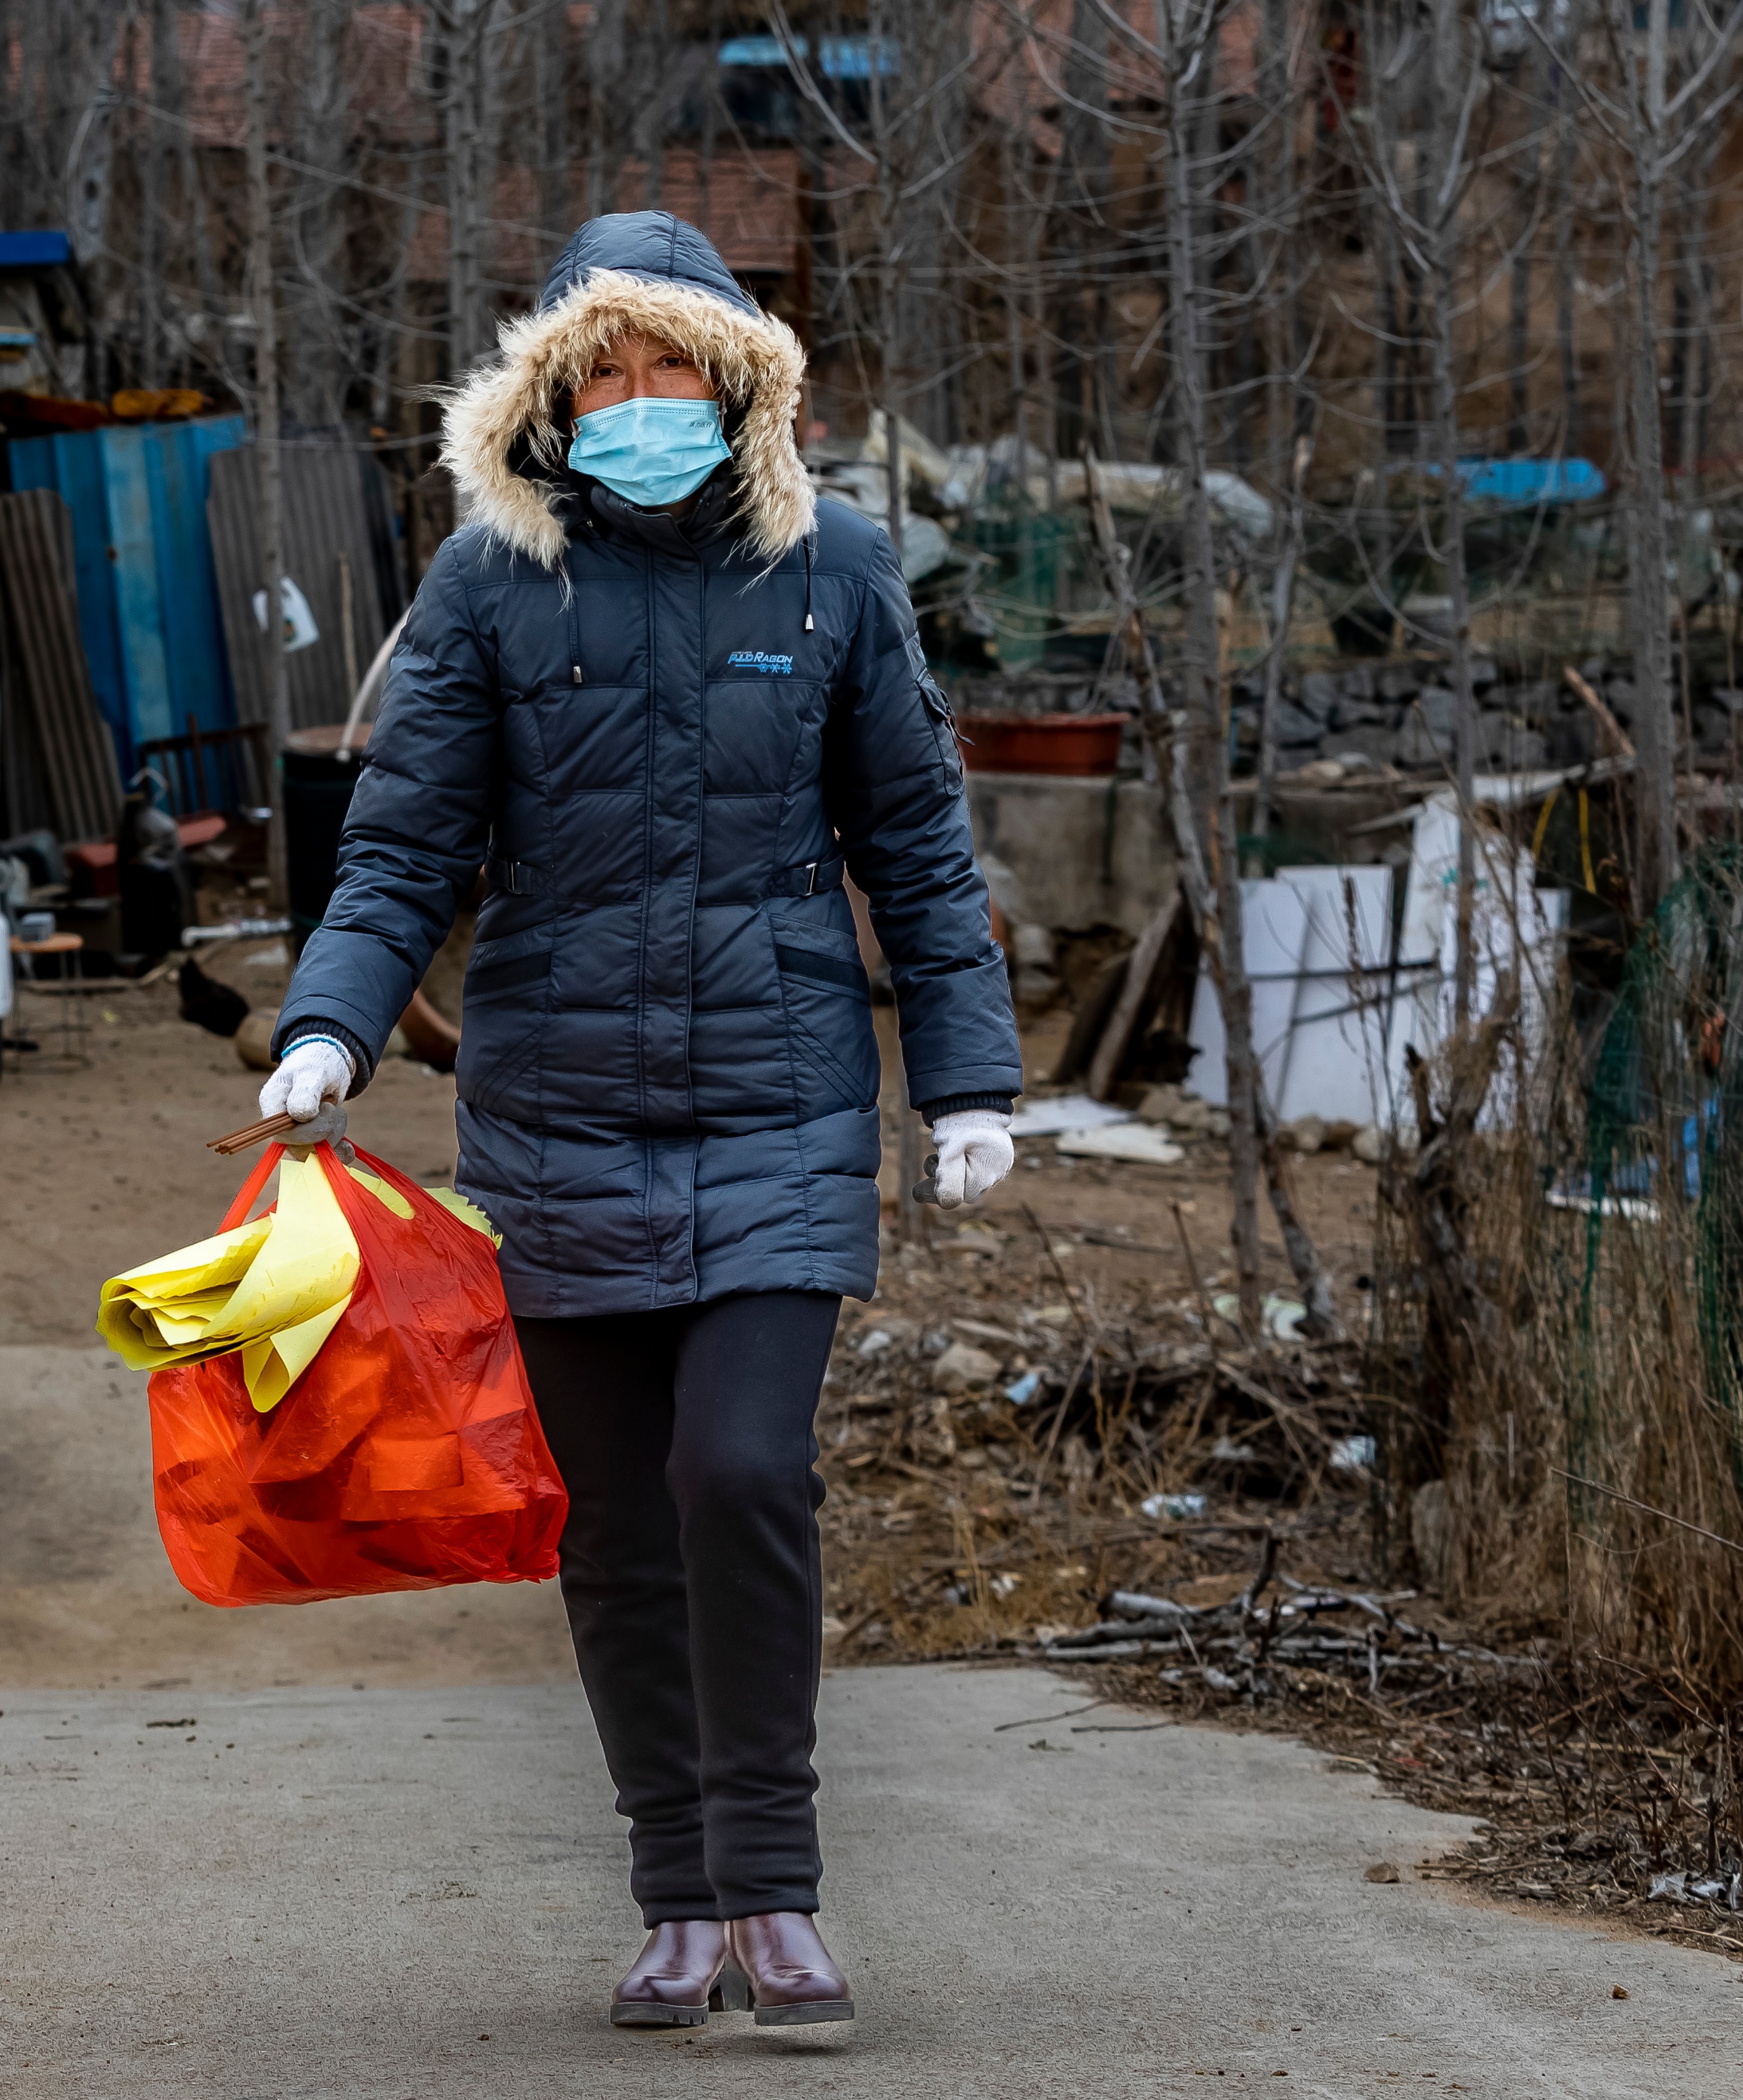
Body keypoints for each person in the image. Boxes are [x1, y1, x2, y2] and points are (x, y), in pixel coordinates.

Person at [258, 211, 1021, 2031]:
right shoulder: (487, 585)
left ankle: (777, 1892)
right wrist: (327, 1028)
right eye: (603, 372)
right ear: (554, 392)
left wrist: (973, 1074)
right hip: (560, 1118)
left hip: (780, 1105)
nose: (639, 399)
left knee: (740, 1473)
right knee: (613, 1521)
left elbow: (916, 842)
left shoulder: (834, 571)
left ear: (737, 376)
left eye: (671, 366)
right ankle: (676, 1896)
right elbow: (402, 849)